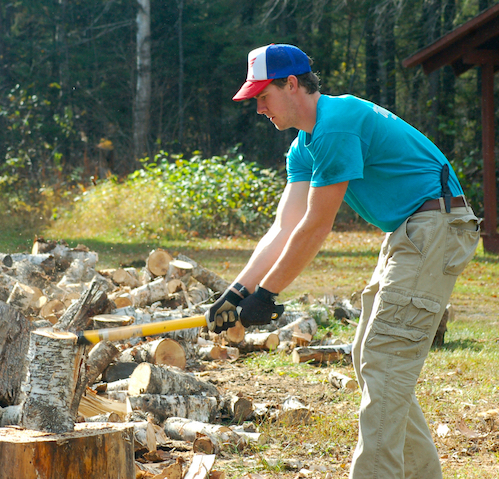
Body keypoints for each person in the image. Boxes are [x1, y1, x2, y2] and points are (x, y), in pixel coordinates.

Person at [205, 43, 481, 479]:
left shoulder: (336, 125)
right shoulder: (305, 145)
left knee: (385, 358)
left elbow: (316, 226)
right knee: (370, 356)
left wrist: (269, 293)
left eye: (262, 96)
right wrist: (237, 292)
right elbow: (284, 227)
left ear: (291, 84)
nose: (258, 108)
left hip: (436, 227)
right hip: (411, 230)